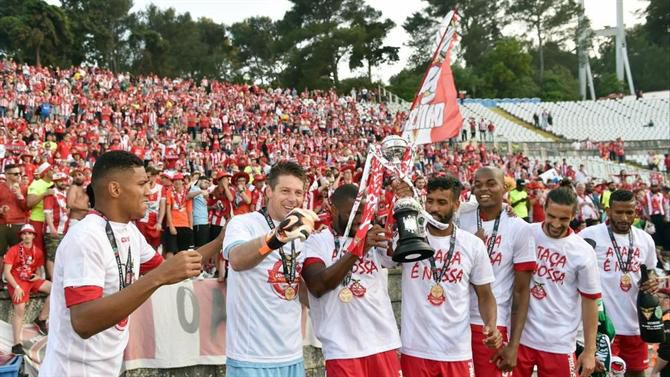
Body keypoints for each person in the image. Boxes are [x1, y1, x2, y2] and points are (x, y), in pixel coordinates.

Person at [39, 151, 222, 376]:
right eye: (143, 184)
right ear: (115, 189)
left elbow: (179, 267)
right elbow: (84, 322)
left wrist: (221, 241)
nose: (149, 191)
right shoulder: (86, 237)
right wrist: (158, 278)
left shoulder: (129, 232)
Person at [395, 175, 502, 377]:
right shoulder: (409, 238)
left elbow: (486, 295)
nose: (434, 208)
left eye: (442, 203)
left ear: (456, 205)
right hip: (416, 349)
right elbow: (385, 256)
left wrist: (491, 325)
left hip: (456, 352)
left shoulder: (472, 244)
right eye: (430, 201)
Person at [222, 161, 319, 377]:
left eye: (298, 192)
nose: (292, 199)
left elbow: (297, 289)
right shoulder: (243, 223)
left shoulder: (303, 232)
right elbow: (237, 260)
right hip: (250, 357)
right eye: (285, 191)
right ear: (268, 191)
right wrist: (279, 236)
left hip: (292, 354)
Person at [301, 184, 401, 376]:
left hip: (383, 342)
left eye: (363, 214)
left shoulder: (372, 236)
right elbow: (318, 286)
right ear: (333, 209)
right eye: (353, 214)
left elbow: (399, 257)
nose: (359, 221)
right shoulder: (317, 241)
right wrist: (358, 250)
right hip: (342, 350)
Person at [514, 187, 601, 377]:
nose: (555, 223)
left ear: (574, 215)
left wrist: (589, 351)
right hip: (519, 339)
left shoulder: (583, 252)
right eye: (551, 216)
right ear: (543, 208)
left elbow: (590, 303)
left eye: (563, 219)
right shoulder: (524, 232)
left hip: (559, 344)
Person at [458, 167, 536, 376]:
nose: (483, 189)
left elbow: (521, 291)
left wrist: (514, 344)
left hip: (491, 328)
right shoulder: (460, 218)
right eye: (478, 184)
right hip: (454, 323)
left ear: (504, 187)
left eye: (491, 183)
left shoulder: (519, 228)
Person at [580, 190, 658, 377]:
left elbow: (651, 270)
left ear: (635, 212)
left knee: (637, 373)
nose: (624, 218)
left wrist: (653, 280)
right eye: (619, 212)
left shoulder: (645, 239)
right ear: (608, 210)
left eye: (629, 213)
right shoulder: (589, 235)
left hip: (635, 324)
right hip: (602, 327)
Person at [3, 224, 51, 354]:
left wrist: (38, 277)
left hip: (30, 279)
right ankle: (16, 343)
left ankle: (41, 319)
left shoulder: (38, 251)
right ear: (21, 236)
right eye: (24, 234)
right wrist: (17, 287)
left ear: (34, 236)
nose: (27, 236)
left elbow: (40, 271)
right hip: (16, 280)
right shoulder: (13, 250)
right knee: (20, 308)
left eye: (30, 233)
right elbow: (7, 272)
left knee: (54, 288)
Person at [0, 164, 28, 280]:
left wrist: (20, 195)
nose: (19, 176)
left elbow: (27, 208)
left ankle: (17, 280)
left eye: (19, 173)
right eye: (15, 174)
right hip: (2, 224)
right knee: (0, 254)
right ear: (6, 174)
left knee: (19, 254)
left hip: (19, 223)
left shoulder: (24, 188)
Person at [44, 172, 70, 279]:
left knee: (60, 256)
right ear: (55, 182)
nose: (63, 183)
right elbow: (47, 212)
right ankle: (53, 281)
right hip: (54, 230)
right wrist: (52, 228)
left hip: (63, 230)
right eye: (61, 181)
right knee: (52, 256)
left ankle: (58, 279)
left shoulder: (64, 194)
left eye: (64, 180)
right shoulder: (51, 194)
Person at [27, 162, 55, 252]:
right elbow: (29, 203)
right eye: (51, 169)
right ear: (45, 172)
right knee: (38, 248)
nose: (53, 170)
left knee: (51, 250)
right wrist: (44, 194)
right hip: (38, 220)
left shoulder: (55, 183)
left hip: (53, 221)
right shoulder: (36, 184)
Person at [165, 173, 194, 257]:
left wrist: (190, 227)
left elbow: (189, 211)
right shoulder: (169, 193)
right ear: (173, 183)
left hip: (185, 225)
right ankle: (169, 269)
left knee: (183, 252)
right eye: (175, 181)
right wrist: (171, 226)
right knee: (170, 251)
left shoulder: (187, 194)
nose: (177, 182)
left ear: (182, 182)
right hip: (173, 224)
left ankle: (181, 270)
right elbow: (168, 210)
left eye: (179, 180)